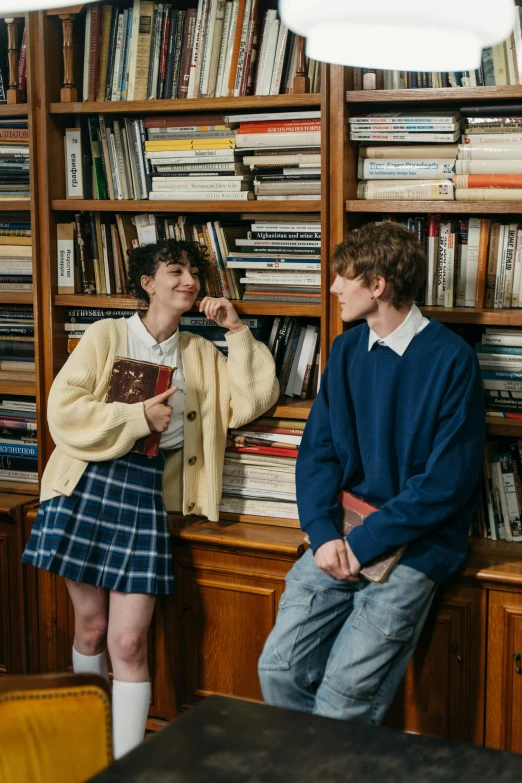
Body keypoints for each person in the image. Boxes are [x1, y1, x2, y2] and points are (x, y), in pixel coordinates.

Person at [23, 238, 279, 758]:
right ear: (147, 283)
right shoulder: (105, 335)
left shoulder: (200, 353)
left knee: (129, 642)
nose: (188, 281)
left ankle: (125, 765)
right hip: (84, 486)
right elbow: (62, 411)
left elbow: (251, 402)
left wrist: (236, 329)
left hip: (145, 496)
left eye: (194, 274)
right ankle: (87, 750)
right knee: (92, 629)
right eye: (175, 271)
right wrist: (137, 417)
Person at [258, 221, 485, 723]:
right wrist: (321, 534)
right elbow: (318, 452)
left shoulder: (452, 359)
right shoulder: (344, 351)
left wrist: (363, 545)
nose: (334, 287)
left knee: (344, 701)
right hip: (339, 535)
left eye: (344, 276)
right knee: (278, 668)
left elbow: (446, 484)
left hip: (417, 545)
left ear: (378, 285)